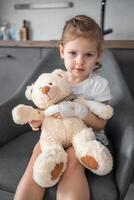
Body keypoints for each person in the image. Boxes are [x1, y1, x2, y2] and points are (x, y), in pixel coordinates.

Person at [14, 15, 112, 200]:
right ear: (62, 51)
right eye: (73, 53)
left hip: (85, 136)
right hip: (55, 135)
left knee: (74, 160)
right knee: (37, 154)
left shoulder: (98, 85)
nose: (79, 61)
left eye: (88, 55)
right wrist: (36, 122)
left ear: (98, 55)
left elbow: (101, 125)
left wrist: (79, 111)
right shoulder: (55, 79)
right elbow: (43, 111)